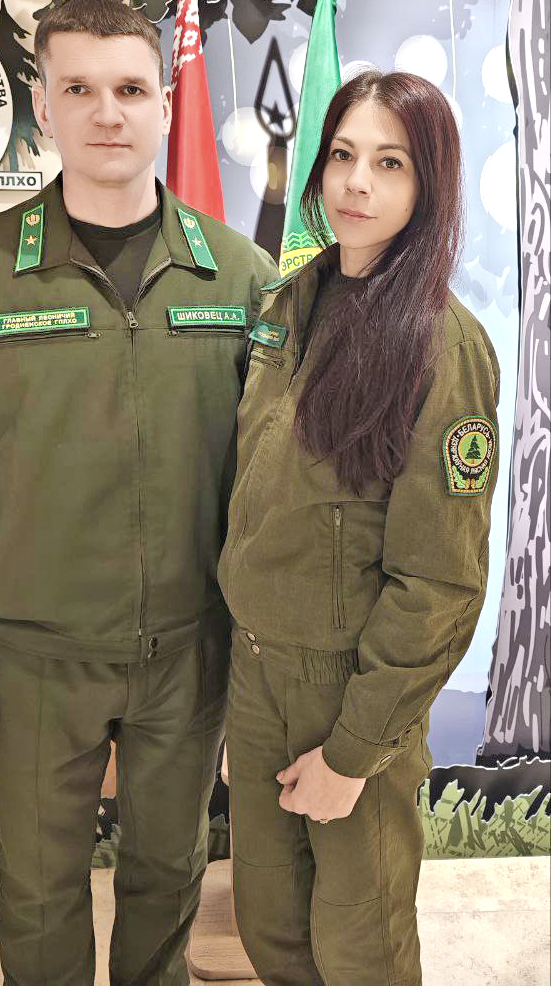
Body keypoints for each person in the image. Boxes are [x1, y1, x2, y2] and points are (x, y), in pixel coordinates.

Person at [0, 0, 277, 986]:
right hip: (30, 657)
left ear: (166, 104)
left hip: (190, 650)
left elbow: (276, 486)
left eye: (131, 89)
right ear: (45, 107)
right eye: (80, 89)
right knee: (39, 890)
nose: (108, 113)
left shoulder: (241, 276)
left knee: (168, 874)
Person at [218, 70, 500, 986]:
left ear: (429, 185)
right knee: (271, 928)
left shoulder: (441, 346)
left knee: (359, 946)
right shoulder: (289, 306)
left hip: (349, 689)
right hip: (257, 674)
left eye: (390, 163)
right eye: (342, 155)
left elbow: (440, 584)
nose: (356, 184)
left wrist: (350, 756)